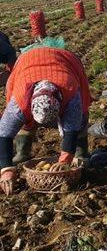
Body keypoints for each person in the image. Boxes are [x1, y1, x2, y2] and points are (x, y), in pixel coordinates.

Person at [0, 47, 92, 195]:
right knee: (23, 120)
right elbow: (4, 134)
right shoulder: (19, 101)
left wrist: (65, 160)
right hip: (27, 62)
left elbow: (72, 129)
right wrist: (5, 169)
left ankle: (81, 153)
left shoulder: (71, 95)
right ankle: (23, 151)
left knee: (80, 119)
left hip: (65, 60)